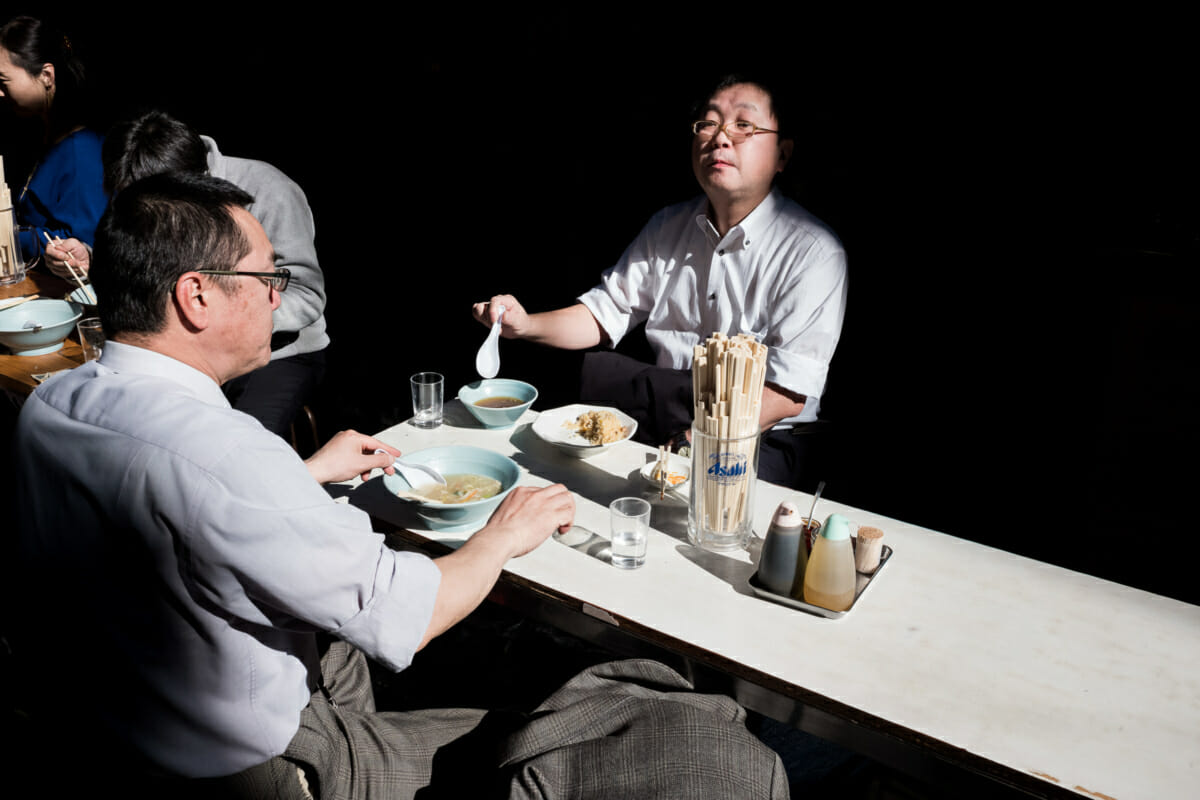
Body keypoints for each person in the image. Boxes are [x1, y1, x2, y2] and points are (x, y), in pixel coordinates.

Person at [11, 172, 789, 798]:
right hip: (258, 767)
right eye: (267, 277)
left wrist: (305, 473)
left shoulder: (53, 405)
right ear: (197, 295)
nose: (278, 296)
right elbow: (403, 615)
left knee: (345, 654)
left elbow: (179, 501)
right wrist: (500, 537)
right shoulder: (224, 453)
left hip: (109, 722)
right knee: (641, 728)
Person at [473, 74, 847, 489]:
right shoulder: (667, 226)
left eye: (744, 125)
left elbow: (786, 394)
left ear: (783, 154)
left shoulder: (814, 251)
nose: (721, 138)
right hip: (663, 418)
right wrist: (525, 325)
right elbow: (603, 313)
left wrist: (695, 443)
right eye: (709, 123)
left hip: (759, 436)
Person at [100, 109, 329, 438]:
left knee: (237, 439)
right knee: (140, 428)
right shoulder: (139, 189)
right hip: (184, 343)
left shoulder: (269, 190)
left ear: (194, 182)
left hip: (280, 351)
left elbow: (307, 296)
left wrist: (223, 322)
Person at [0, 15, 106, 277]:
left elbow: (82, 246)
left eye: (3, 80)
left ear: (46, 75)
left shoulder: (82, 152)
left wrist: (12, 236)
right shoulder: (37, 134)